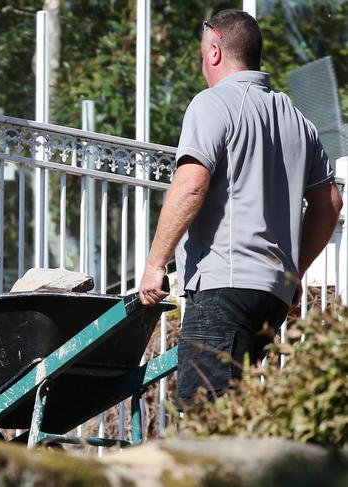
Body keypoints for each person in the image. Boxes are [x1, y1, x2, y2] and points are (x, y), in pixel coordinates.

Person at [138, 10, 342, 405]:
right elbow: (330, 203)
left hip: (224, 289)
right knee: (235, 412)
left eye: (201, 56)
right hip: (272, 297)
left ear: (215, 51)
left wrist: (155, 264)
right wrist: (292, 270)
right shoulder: (299, 120)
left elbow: (192, 185)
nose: (202, 66)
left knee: (205, 420)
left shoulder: (213, 104)